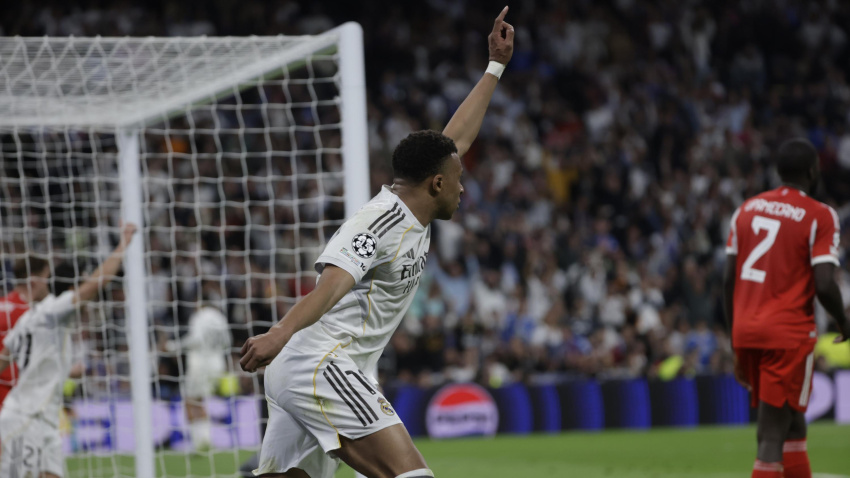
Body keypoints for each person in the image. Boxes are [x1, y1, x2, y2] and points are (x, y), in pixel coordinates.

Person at [239, 7, 514, 478]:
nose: (463, 186)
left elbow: (457, 140)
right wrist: (278, 334)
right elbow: (328, 288)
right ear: (435, 185)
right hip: (319, 362)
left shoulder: (417, 198)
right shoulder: (379, 224)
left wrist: (494, 66)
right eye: (457, 179)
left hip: (325, 366)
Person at [723, 138, 850, 478]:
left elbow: (728, 282)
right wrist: (844, 321)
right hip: (787, 333)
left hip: (746, 328)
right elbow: (824, 284)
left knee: (793, 424)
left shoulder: (745, 209)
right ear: (813, 171)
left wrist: (734, 338)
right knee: (771, 434)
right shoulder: (820, 215)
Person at [0, 223, 137, 478]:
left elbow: (4, 359)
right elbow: (93, 286)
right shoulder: (54, 310)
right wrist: (122, 246)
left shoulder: (29, 319)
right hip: (25, 417)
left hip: (45, 419)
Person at [169, 303, 232, 452]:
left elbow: (196, 339)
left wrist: (175, 346)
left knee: (190, 401)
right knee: (200, 400)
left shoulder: (200, 316)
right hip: (217, 364)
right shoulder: (220, 318)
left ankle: (199, 442)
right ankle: (205, 441)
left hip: (200, 364)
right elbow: (227, 342)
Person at [0, 256, 46, 407]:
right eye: (47, 277)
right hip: (12, 394)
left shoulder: (3, 304)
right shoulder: (30, 314)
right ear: (34, 280)